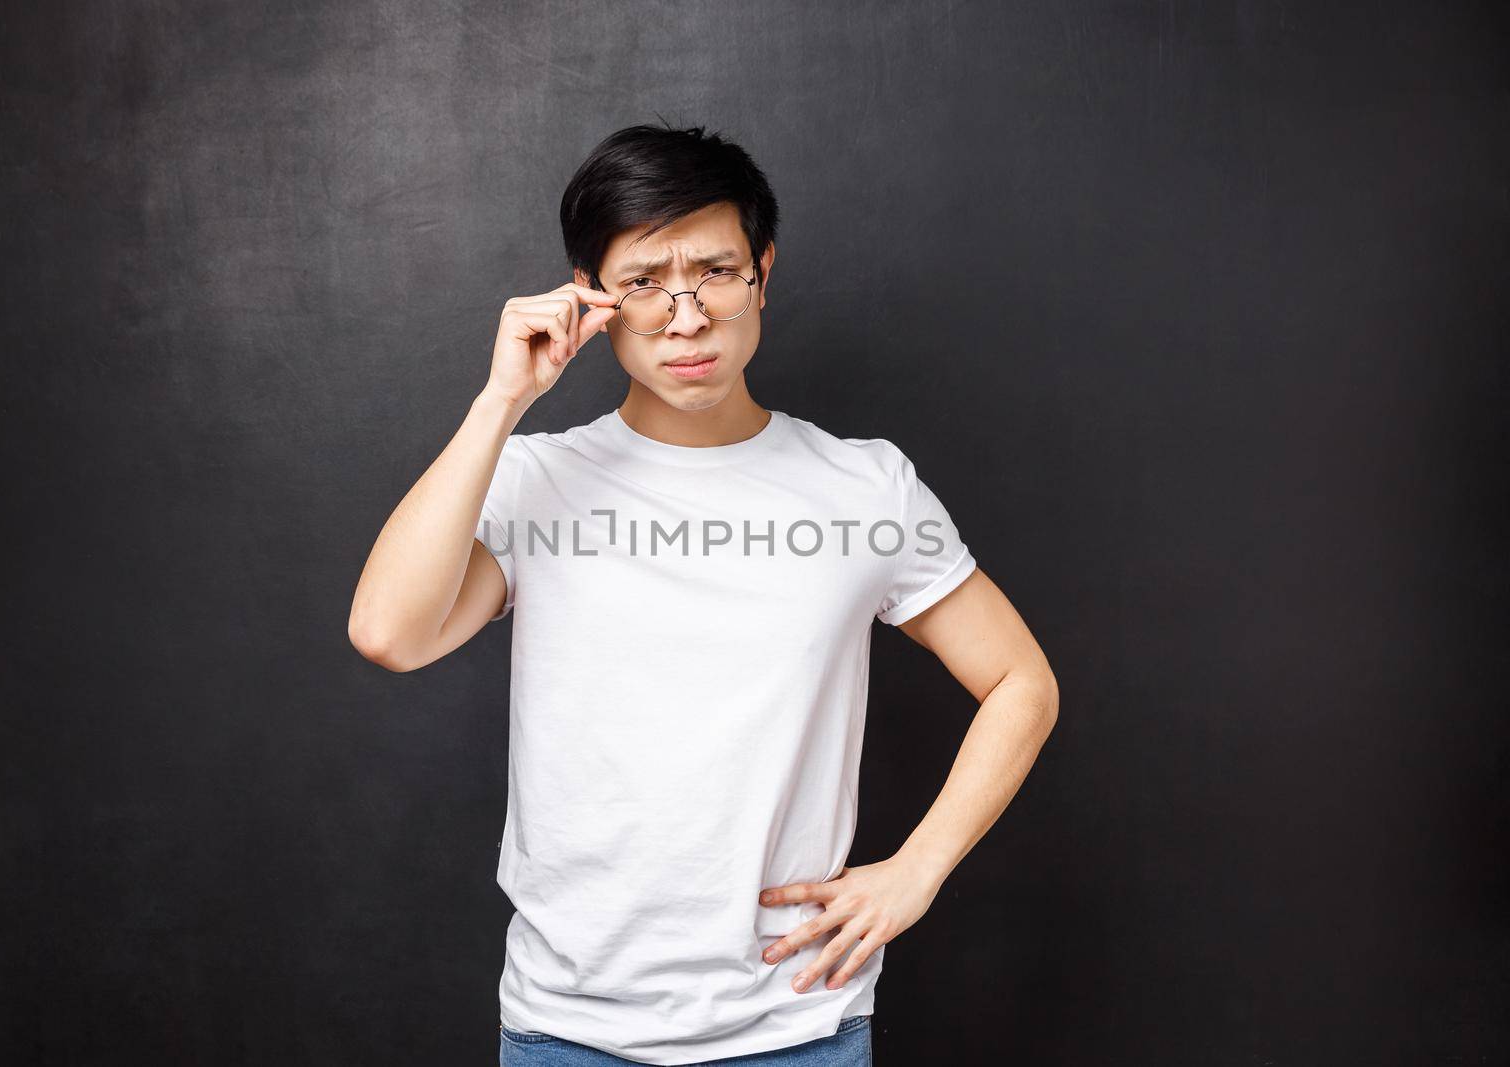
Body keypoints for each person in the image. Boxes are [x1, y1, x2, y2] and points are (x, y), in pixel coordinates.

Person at [348, 122, 1059, 1066]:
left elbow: (1020, 680)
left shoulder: (864, 485)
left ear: (762, 271)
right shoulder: (535, 478)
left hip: (796, 1023)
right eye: (644, 283)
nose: (686, 319)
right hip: (570, 1026)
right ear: (592, 296)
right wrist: (500, 402)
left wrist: (916, 871)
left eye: (717, 273)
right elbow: (390, 633)